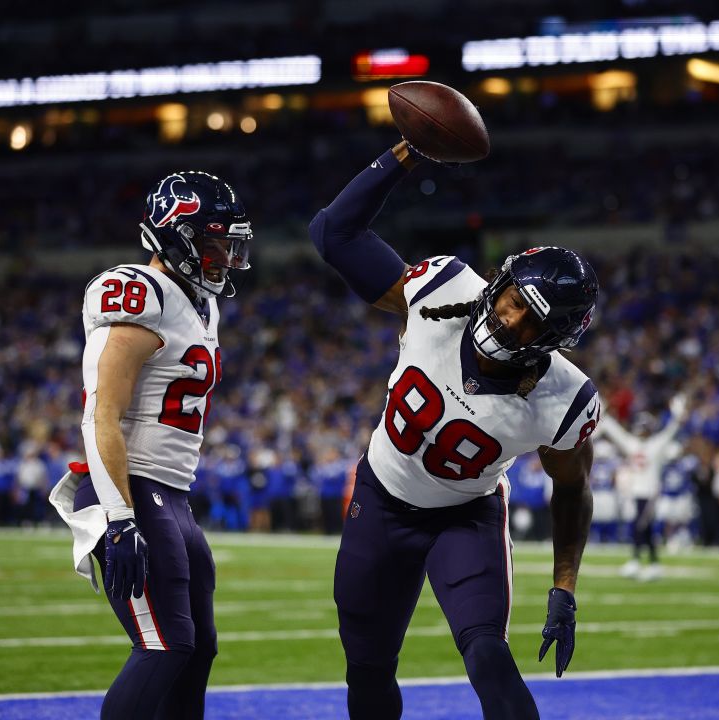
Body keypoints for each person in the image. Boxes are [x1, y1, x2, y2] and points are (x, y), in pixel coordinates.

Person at [310, 139, 600, 720]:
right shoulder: (443, 291)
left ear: (552, 340)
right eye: (513, 298)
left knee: (488, 655)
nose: (508, 317)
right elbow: (332, 234)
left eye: (529, 319)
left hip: (465, 517)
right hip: (381, 499)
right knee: (367, 669)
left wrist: (565, 587)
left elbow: (571, 490)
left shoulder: (562, 398)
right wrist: (407, 153)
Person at [49, 171, 252, 720]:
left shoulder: (200, 305)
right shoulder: (141, 293)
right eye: (214, 243)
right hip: (130, 490)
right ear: (177, 235)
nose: (226, 258)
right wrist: (119, 518)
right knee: (164, 647)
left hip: (171, 495)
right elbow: (100, 414)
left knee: (197, 647)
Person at [597, 396, 686, 581]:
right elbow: (616, 433)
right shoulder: (633, 444)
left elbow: (672, 430)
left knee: (639, 527)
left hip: (650, 493)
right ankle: (653, 564)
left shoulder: (656, 445)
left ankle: (637, 561)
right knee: (643, 529)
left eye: (644, 428)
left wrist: (677, 415)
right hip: (636, 493)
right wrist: (603, 414)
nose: (641, 431)